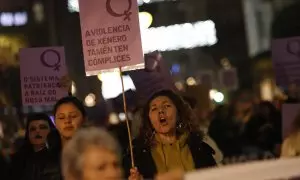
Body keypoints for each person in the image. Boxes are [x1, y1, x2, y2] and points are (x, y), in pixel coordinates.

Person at [123, 90, 216, 179]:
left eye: (166, 106)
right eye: (154, 108)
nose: (160, 111)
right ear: (148, 118)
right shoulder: (136, 155)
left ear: (178, 113)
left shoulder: (201, 149)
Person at [44, 96, 87, 180]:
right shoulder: (45, 160)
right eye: (61, 117)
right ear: (55, 122)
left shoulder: (96, 154)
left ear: (84, 119)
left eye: (73, 116)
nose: (67, 121)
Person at [10, 113, 56, 180]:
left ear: (51, 131)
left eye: (42, 127)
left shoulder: (59, 157)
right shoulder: (18, 161)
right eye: (33, 129)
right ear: (28, 134)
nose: (37, 131)